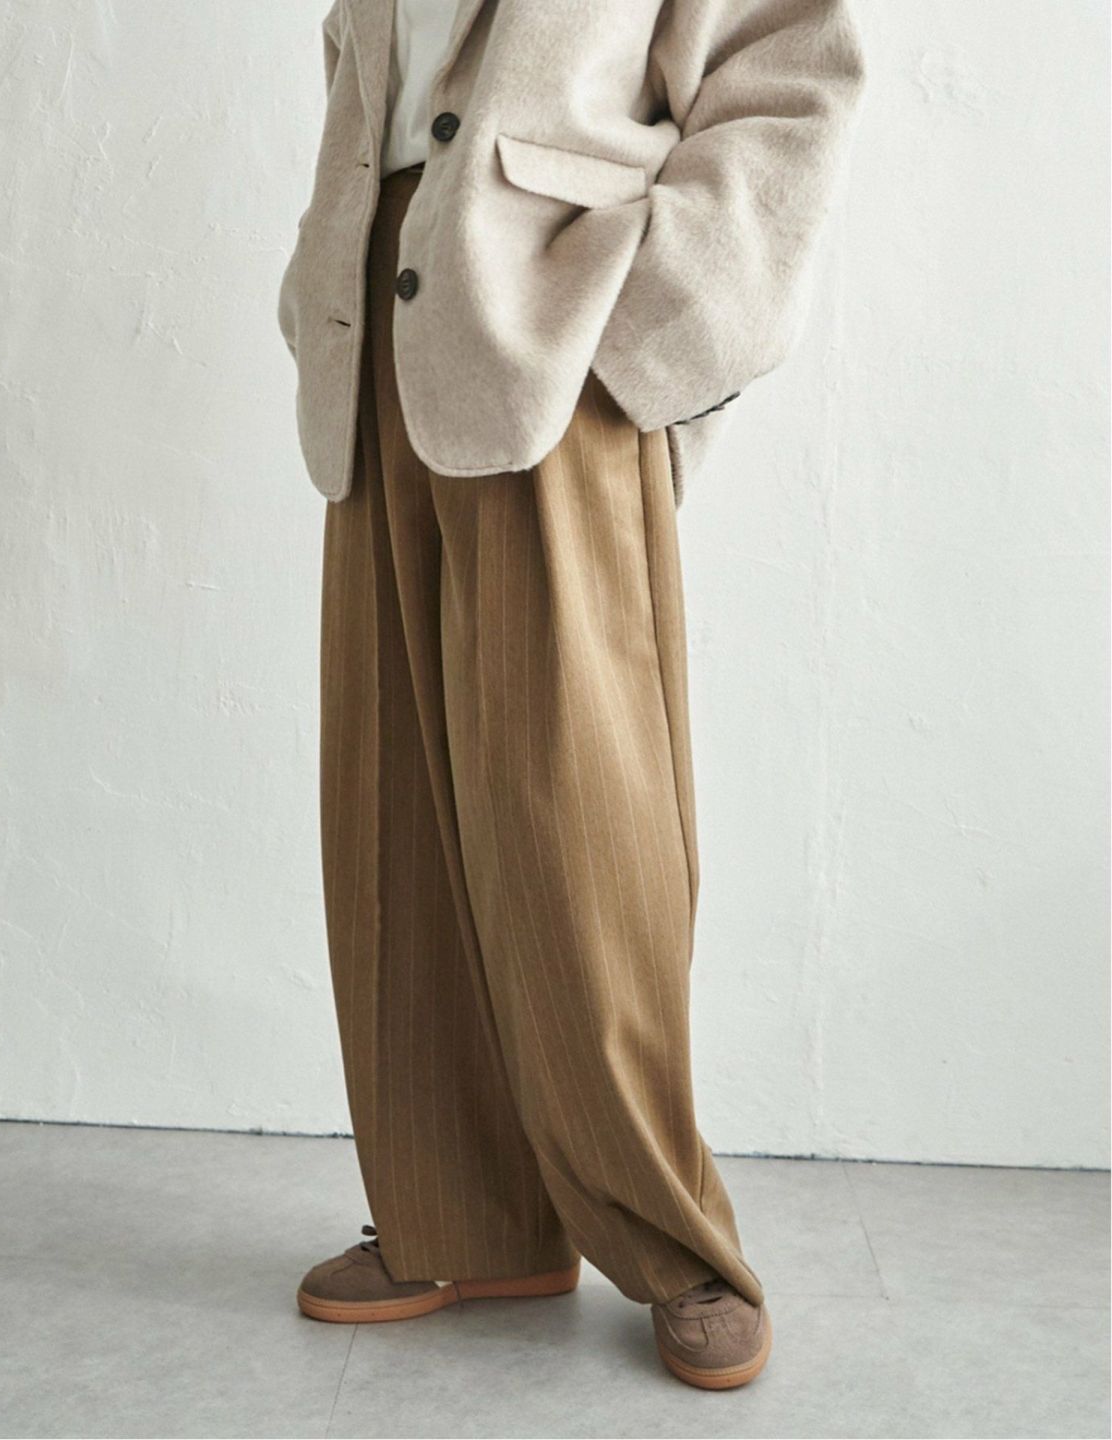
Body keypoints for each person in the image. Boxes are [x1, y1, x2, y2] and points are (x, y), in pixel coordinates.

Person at [278, 0, 864, 1390]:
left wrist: (652, 328)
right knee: (395, 803)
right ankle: (461, 1218)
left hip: (557, 324)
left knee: (581, 818)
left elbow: (789, 64)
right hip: (382, 315)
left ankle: (675, 1242)